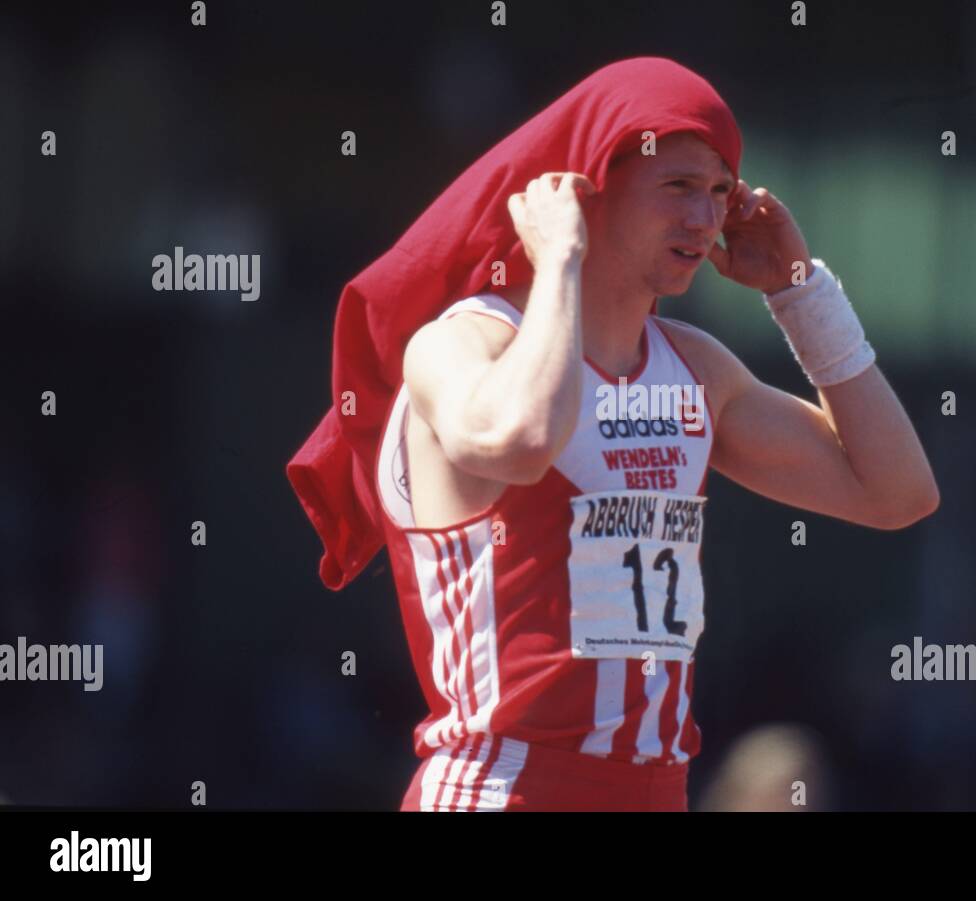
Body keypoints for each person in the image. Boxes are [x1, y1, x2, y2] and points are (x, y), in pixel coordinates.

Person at [286, 58, 938, 812]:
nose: (706, 219)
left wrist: (802, 291)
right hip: (503, 786)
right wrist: (559, 260)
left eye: (721, 192)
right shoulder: (462, 345)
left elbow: (898, 492)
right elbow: (525, 437)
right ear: (587, 186)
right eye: (679, 187)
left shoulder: (692, 369)